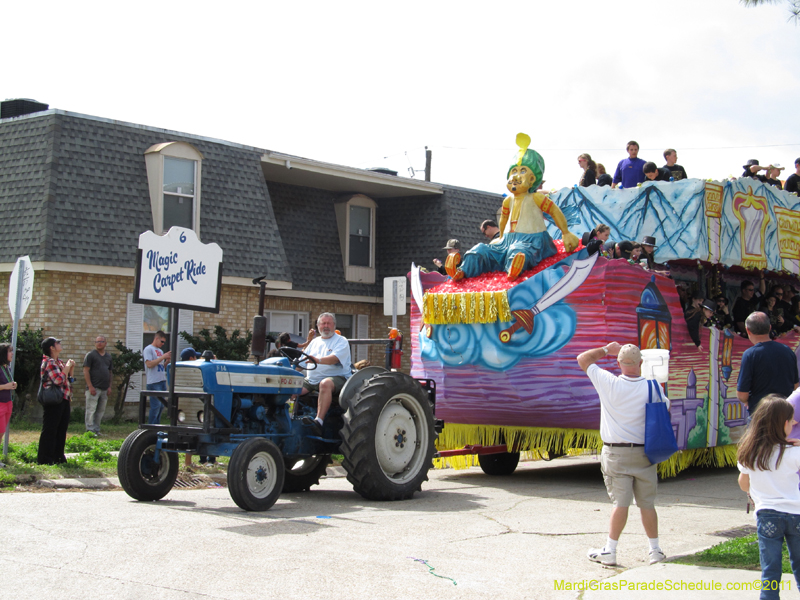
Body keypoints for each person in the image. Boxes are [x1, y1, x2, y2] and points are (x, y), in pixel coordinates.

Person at [577, 342, 667, 567]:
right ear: (641, 363)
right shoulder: (653, 387)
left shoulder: (608, 382)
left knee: (621, 503)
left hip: (616, 453)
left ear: (619, 363)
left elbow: (583, 359)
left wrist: (607, 349)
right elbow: (665, 410)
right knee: (647, 503)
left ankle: (611, 550)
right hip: (645, 453)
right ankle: (654, 550)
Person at [448, 135, 580, 281]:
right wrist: (501, 238)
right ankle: (462, 271)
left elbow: (555, 211)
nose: (516, 176)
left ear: (532, 179)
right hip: (507, 240)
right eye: (514, 171)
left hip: (532, 239)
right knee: (480, 249)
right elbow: (504, 218)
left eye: (523, 171)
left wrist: (566, 232)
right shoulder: (508, 201)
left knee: (519, 251)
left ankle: (514, 269)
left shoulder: (536, 197)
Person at [737, 395, 800, 599]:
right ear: (784, 424)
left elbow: (743, 483)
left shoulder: (750, 452)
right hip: (796, 514)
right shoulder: (793, 453)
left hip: (767, 516)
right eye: (791, 421)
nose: (793, 424)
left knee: (770, 571)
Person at [737, 312, 799, 417]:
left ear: (748, 330)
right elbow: (795, 386)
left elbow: (742, 395)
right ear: (770, 328)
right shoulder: (788, 351)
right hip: (784, 415)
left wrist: (748, 400)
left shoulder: (750, 354)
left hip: (760, 415)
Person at [299, 313, 352, 436]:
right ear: (318, 326)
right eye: (323, 323)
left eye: (329, 323)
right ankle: (290, 418)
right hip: (311, 380)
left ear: (334, 325)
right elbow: (301, 362)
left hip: (338, 378)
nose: (326, 326)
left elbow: (334, 359)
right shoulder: (314, 342)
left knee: (325, 384)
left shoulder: (341, 341)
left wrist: (317, 360)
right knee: (291, 387)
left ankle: (319, 421)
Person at [37, 337, 75, 465]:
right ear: (51, 348)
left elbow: (68, 380)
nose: (60, 344)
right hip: (54, 400)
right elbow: (58, 380)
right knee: (50, 429)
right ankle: (45, 458)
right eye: (57, 343)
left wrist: (70, 370)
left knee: (61, 429)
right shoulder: (49, 362)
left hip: (64, 398)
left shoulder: (59, 362)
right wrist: (67, 367)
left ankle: (58, 457)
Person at [83, 335, 112, 435]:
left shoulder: (108, 357)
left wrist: (109, 386)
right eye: (97, 341)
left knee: (100, 411)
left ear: (105, 343)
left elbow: (110, 372)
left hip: (104, 388)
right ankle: (89, 430)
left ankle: (96, 429)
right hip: (94, 388)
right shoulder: (91, 355)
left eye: (101, 341)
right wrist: (90, 386)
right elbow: (86, 371)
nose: (99, 343)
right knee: (91, 409)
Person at [143, 331, 171, 425]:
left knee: (162, 406)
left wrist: (166, 361)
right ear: (156, 338)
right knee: (156, 405)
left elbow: (162, 366)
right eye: (162, 341)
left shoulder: (160, 351)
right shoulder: (148, 349)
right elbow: (149, 364)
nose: (163, 344)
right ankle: (151, 427)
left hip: (162, 380)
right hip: (154, 381)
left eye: (164, 342)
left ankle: (157, 425)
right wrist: (162, 357)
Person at [0, 343, 18, 461]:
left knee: (1, 433)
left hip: (8, 403)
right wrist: (5, 386)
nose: (12, 353)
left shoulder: (7, 367)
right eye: (9, 351)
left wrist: (12, 384)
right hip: (0, 403)